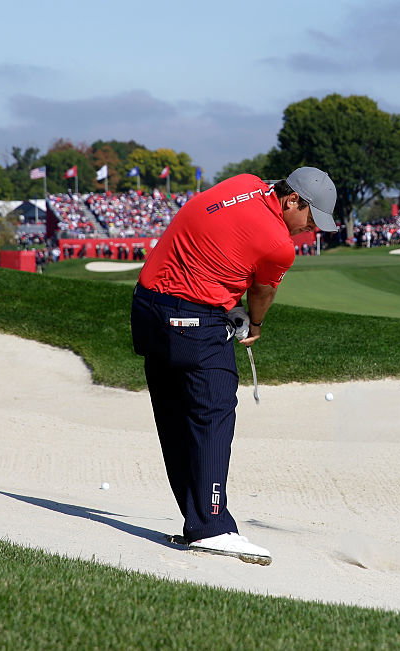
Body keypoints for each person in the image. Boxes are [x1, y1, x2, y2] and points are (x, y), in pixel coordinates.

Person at [130, 167, 338, 565]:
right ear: (293, 200)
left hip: (146, 310)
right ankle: (211, 527)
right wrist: (253, 324)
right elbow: (263, 290)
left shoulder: (243, 183)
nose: (309, 230)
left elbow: (220, 244)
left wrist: (227, 303)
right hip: (192, 322)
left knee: (175, 415)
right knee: (213, 413)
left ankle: (197, 522)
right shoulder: (280, 245)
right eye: (310, 220)